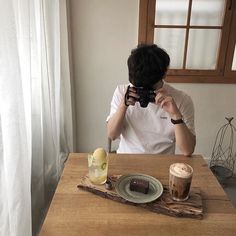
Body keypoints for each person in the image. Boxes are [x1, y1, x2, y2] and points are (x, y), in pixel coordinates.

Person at [106, 44, 196, 156]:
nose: (144, 91)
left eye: (150, 88)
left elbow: (187, 150)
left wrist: (176, 115)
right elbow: (112, 135)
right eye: (139, 87)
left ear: (165, 73)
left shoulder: (181, 99)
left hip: (162, 162)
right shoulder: (122, 92)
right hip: (127, 158)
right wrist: (123, 106)